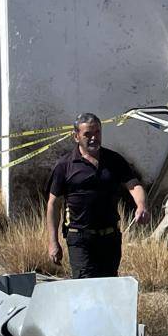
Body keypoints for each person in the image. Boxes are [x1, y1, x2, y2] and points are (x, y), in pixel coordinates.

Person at [46, 113, 149, 279]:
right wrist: (53, 241)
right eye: (88, 134)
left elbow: (134, 185)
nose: (94, 138)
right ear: (76, 136)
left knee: (108, 288)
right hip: (79, 238)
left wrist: (141, 206)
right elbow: (53, 204)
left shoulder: (114, 160)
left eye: (97, 133)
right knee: (85, 288)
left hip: (110, 238)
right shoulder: (65, 165)